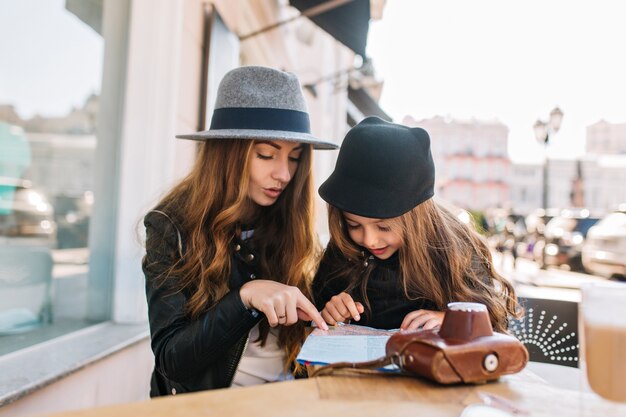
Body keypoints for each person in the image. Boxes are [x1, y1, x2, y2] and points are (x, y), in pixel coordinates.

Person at [143, 66, 335, 397]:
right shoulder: (170, 224)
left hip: (286, 401)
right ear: (228, 153)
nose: (284, 174)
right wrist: (246, 298)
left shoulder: (290, 223)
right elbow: (171, 360)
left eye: (294, 157)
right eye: (266, 154)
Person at [312, 117, 518, 333]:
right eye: (354, 225)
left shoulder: (455, 249)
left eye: (384, 227)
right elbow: (315, 314)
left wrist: (450, 321)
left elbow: (495, 323)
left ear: (415, 217)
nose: (369, 239)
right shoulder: (344, 248)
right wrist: (329, 313)